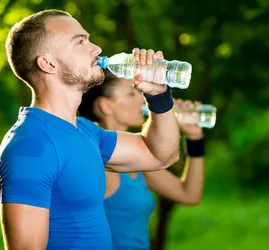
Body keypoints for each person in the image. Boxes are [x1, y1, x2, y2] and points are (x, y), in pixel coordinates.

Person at [0, 9, 181, 250]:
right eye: (79, 42)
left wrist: (158, 95)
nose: (96, 48)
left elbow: (161, 155)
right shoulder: (31, 148)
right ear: (48, 63)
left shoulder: (86, 132)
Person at [78, 70, 206, 250]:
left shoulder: (136, 159)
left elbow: (190, 195)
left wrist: (194, 137)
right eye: (131, 94)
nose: (141, 99)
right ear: (105, 106)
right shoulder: (95, 159)